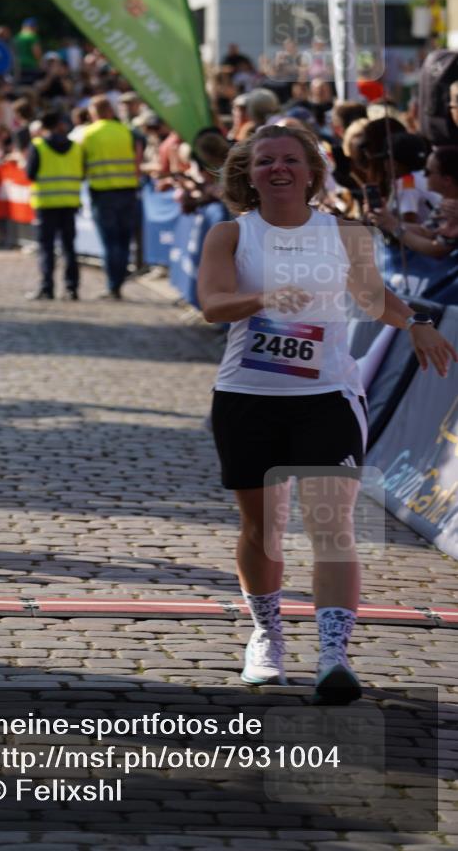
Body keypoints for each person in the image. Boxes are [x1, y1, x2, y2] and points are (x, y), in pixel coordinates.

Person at [197, 124, 457, 703]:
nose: (279, 169)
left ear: (314, 172)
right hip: (248, 397)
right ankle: (266, 636)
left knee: (332, 530)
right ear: (250, 173)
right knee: (262, 528)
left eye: (291, 160)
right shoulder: (230, 235)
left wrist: (414, 324)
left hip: (327, 398)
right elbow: (213, 304)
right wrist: (262, 299)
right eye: (266, 162)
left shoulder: (345, 233)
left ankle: (334, 655)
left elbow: (371, 297)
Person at [82, 95, 140, 299]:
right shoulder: (125, 130)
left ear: (94, 113)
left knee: (109, 242)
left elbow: (81, 162)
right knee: (124, 242)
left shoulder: (89, 133)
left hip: (103, 193)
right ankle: (118, 284)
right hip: (128, 191)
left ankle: (112, 285)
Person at [25, 110, 84, 301]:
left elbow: (30, 174)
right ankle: (72, 288)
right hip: (69, 203)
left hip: (46, 204)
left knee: (46, 248)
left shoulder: (38, 146)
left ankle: (47, 287)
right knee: (69, 247)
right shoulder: (75, 147)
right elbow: (82, 172)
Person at [370, 146, 458, 259]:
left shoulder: (406, 182)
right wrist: (387, 220)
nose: (385, 166)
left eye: (427, 172)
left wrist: (393, 227)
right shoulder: (447, 201)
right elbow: (427, 231)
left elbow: (437, 248)